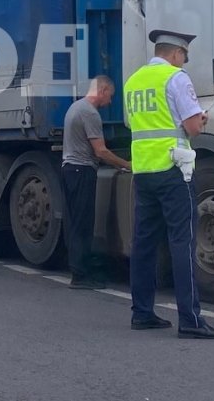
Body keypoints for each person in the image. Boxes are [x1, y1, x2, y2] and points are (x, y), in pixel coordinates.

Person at [124, 29, 214, 339]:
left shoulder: (133, 82)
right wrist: (200, 119)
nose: (185, 61)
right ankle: (190, 320)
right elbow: (193, 128)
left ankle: (142, 313)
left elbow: (135, 124)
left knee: (144, 244)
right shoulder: (176, 78)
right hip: (174, 171)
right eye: (184, 55)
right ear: (174, 53)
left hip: (144, 171)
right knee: (182, 243)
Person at [61, 75, 131, 289]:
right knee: (83, 225)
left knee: (76, 222)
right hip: (81, 171)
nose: (110, 101)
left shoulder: (76, 107)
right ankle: (80, 277)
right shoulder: (90, 113)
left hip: (70, 170)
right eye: (110, 95)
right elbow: (100, 151)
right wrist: (127, 165)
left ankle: (79, 270)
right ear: (102, 90)